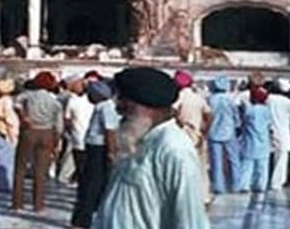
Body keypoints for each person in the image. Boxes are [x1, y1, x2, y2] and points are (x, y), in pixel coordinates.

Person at [91, 67, 208, 229]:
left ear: (149, 106)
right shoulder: (136, 140)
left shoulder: (174, 149)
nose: (118, 107)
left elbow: (190, 220)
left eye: (125, 101)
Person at [71, 80, 119, 229]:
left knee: (91, 186)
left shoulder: (107, 108)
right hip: (93, 148)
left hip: (100, 149)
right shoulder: (100, 107)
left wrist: (111, 152)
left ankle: (83, 221)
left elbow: (110, 131)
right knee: (88, 184)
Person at [12, 71, 62, 213]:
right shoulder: (55, 101)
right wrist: (56, 141)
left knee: (21, 167)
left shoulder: (28, 95)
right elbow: (59, 126)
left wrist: (23, 117)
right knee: (40, 171)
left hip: (30, 130)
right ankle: (38, 205)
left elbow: (16, 104)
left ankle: (18, 203)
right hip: (47, 133)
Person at [171, 70, 210, 203]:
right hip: (198, 134)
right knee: (201, 166)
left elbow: (173, 111)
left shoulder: (178, 97)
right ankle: (204, 196)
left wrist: (180, 123)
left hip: (184, 134)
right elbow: (209, 115)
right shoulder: (198, 98)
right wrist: (205, 131)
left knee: (184, 166)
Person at [206, 76, 239, 195]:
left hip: (214, 132)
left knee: (216, 161)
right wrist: (237, 125)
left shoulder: (210, 99)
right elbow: (236, 115)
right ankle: (236, 185)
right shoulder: (230, 99)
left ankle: (218, 186)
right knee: (234, 159)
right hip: (229, 131)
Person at [266, 79, 290, 191]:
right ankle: (277, 183)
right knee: (281, 159)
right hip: (283, 134)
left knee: (265, 159)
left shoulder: (266, 99)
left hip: (266, 132)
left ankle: (263, 181)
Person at [239, 86, 273, 195]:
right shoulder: (267, 111)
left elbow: (243, 120)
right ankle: (261, 186)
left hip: (250, 142)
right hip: (263, 142)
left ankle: (244, 186)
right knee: (262, 167)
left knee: (247, 167)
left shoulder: (250, 111)